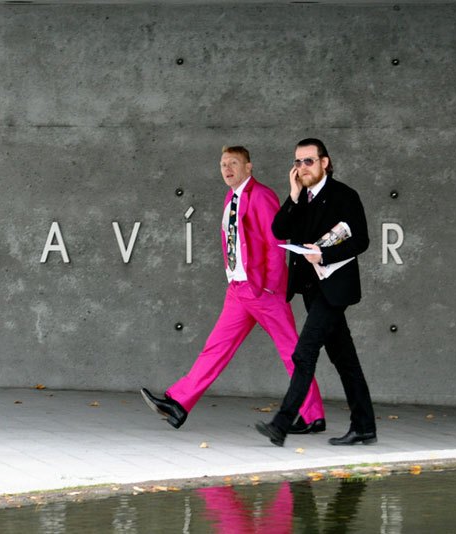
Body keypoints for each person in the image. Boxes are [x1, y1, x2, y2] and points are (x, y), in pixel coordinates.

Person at [141, 145, 325, 434]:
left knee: (292, 351)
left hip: (263, 291)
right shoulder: (232, 196)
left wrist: (269, 286)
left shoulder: (261, 196)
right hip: (239, 290)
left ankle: (312, 415)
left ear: (248, 167)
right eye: (223, 164)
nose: (227, 169)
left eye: (234, 163)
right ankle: (178, 403)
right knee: (215, 348)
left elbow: (276, 243)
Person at [255, 138, 376, 447]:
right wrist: (293, 196)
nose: (302, 167)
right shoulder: (302, 198)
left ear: (325, 162)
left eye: (308, 161)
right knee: (344, 359)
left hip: (335, 288)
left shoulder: (344, 196)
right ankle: (364, 427)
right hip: (311, 288)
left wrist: (325, 255)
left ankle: (281, 423)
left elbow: (361, 240)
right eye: (297, 162)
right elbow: (279, 230)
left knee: (304, 352)